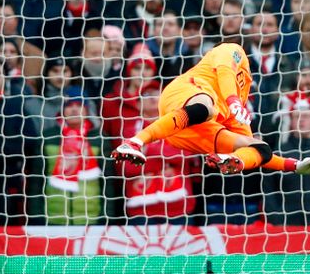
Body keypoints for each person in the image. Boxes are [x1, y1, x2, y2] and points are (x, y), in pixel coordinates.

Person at [112, 43, 310, 176]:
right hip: (184, 94)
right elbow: (225, 71)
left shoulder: (238, 107)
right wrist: (233, 100)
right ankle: (134, 142)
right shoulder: (233, 51)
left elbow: (259, 153)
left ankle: (234, 161)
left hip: (187, 132)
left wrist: (294, 165)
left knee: (259, 147)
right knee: (206, 107)